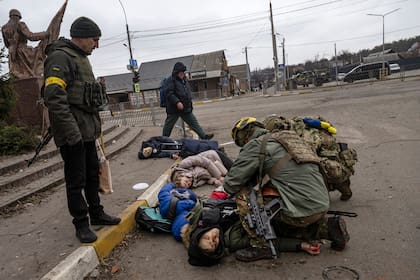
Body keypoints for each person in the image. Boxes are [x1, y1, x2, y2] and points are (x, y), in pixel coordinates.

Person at [221, 117, 350, 262]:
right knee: (278, 209)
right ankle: (329, 227)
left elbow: (231, 185)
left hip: (302, 210)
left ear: (245, 137)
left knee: (244, 193)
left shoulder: (256, 145)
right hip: (321, 202)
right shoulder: (290, 137)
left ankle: (261, 245)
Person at [43, 17, 120, 243]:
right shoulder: (60, 56)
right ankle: (81, 223)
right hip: (73, 133)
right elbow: (54, 98)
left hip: (87, 131)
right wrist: (71, 133)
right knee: (76, 180)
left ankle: (96, 213)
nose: (96, 45)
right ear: (82, 37)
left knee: (92, 176)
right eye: (94, 40)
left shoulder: (81, 58)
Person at [262, 114, 358, 200]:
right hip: (321, 151)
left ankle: (342, 191)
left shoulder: (305, 136)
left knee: (330, 171)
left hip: (329, 157)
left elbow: (308, 156)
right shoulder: (293, 125)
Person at [162, 62, 213, 140]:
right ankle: (163, 139)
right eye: (181, 72)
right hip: (174, 109)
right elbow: (169, 93)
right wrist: (177, 102)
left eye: (183, 72)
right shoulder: (171, 80)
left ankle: (203, 136)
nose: (182, 73)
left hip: (185, 108)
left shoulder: (184, 80)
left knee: (193, 122)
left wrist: (190, 105)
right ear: (176, 72)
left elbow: (187, 93)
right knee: (169, 125)